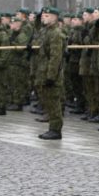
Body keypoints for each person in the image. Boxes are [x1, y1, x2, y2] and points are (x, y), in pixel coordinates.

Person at [34, 7, 66, 140]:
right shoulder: (45, 31)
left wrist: (51, 76)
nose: (43, 18)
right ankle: (52, 128)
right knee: (48, 101)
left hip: (51, 74)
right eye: (43, 16)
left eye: (47, 16)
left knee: (54, 102)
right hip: (43, 71)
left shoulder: (56, 34)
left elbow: (55, 57)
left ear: (54, 17)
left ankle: (56, 130)